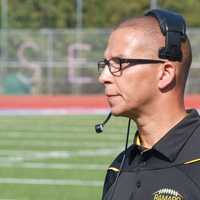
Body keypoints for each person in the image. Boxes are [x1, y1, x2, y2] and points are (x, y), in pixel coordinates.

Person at [97, 9, 200, 200]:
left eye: (119, 62)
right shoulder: (118, 167)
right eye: (105, 64)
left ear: (165, 73)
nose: (103, 77)